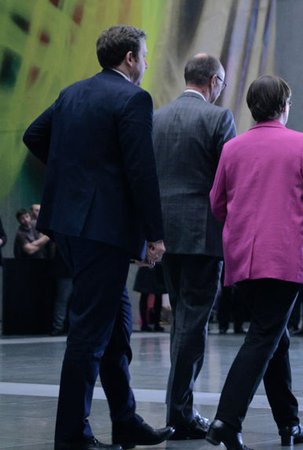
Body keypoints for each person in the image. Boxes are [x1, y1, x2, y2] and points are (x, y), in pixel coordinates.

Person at [22, 25, 173, 449]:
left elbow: (33, 135)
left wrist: (74, 176)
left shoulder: (72, 93)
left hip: (70, 227)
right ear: (129, 58)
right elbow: (141, 171)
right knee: (90, 332)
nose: (145, 63)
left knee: (117, 326)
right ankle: (72, 436)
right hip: (103, 231)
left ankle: (124, 419)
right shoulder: (133, 98)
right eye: (143, 55)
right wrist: (155, 235)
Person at [206, 75, 303, 449]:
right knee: (264, 336)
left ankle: (289, 424)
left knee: (275, 336)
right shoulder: (301, 144)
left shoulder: (232, 148)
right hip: (285, 256)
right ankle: (227, 419)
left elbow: (216, 204)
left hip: (243, 257)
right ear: (284, 106)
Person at [152, 53, 237, 440]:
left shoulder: (156, 118)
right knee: (193, 321)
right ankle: (180, 411)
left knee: (182, 319)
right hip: (204, 233)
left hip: (167, 234)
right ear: (214, 81)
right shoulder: (219, 118)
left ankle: (179, 407)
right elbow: (230, 177)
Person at [132, 263, 166, 332]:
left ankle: (152, 324)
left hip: (151, 263)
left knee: (153, 295)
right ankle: (148, 324)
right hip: (150, 263)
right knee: (148, 294)